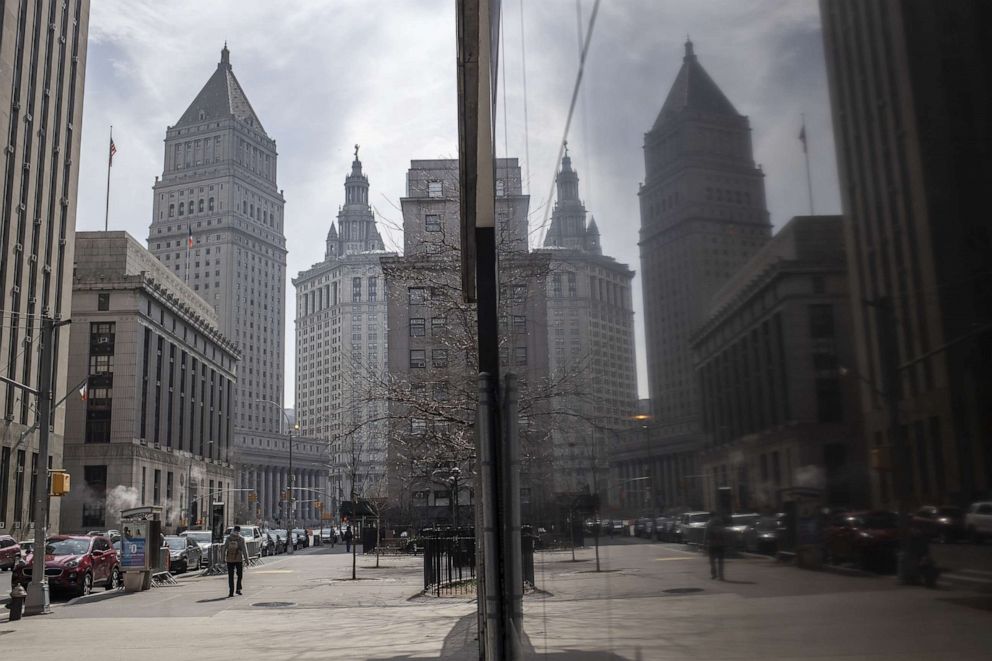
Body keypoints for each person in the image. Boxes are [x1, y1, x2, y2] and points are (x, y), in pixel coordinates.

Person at [223, 525, 249, 597]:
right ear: (239, 531)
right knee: (239, 575)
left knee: (230, 576)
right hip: (238, 559)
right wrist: (247, 560)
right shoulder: (241, 539)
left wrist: (223, 558)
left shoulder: (228, 538)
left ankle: (231, 592)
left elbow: (224, 549)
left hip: (229, 559)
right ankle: (238, 589)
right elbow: (244, 550)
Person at [705, 513, 727, 580]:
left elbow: (706, 534)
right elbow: (724, 533)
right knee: (720, 561)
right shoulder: (721, 522)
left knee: (712, 561)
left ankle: (714, 575)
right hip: (720, 544)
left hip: (712, 544)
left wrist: (704, 543)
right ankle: (721, 576)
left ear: (710, 516)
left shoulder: (709, 523)